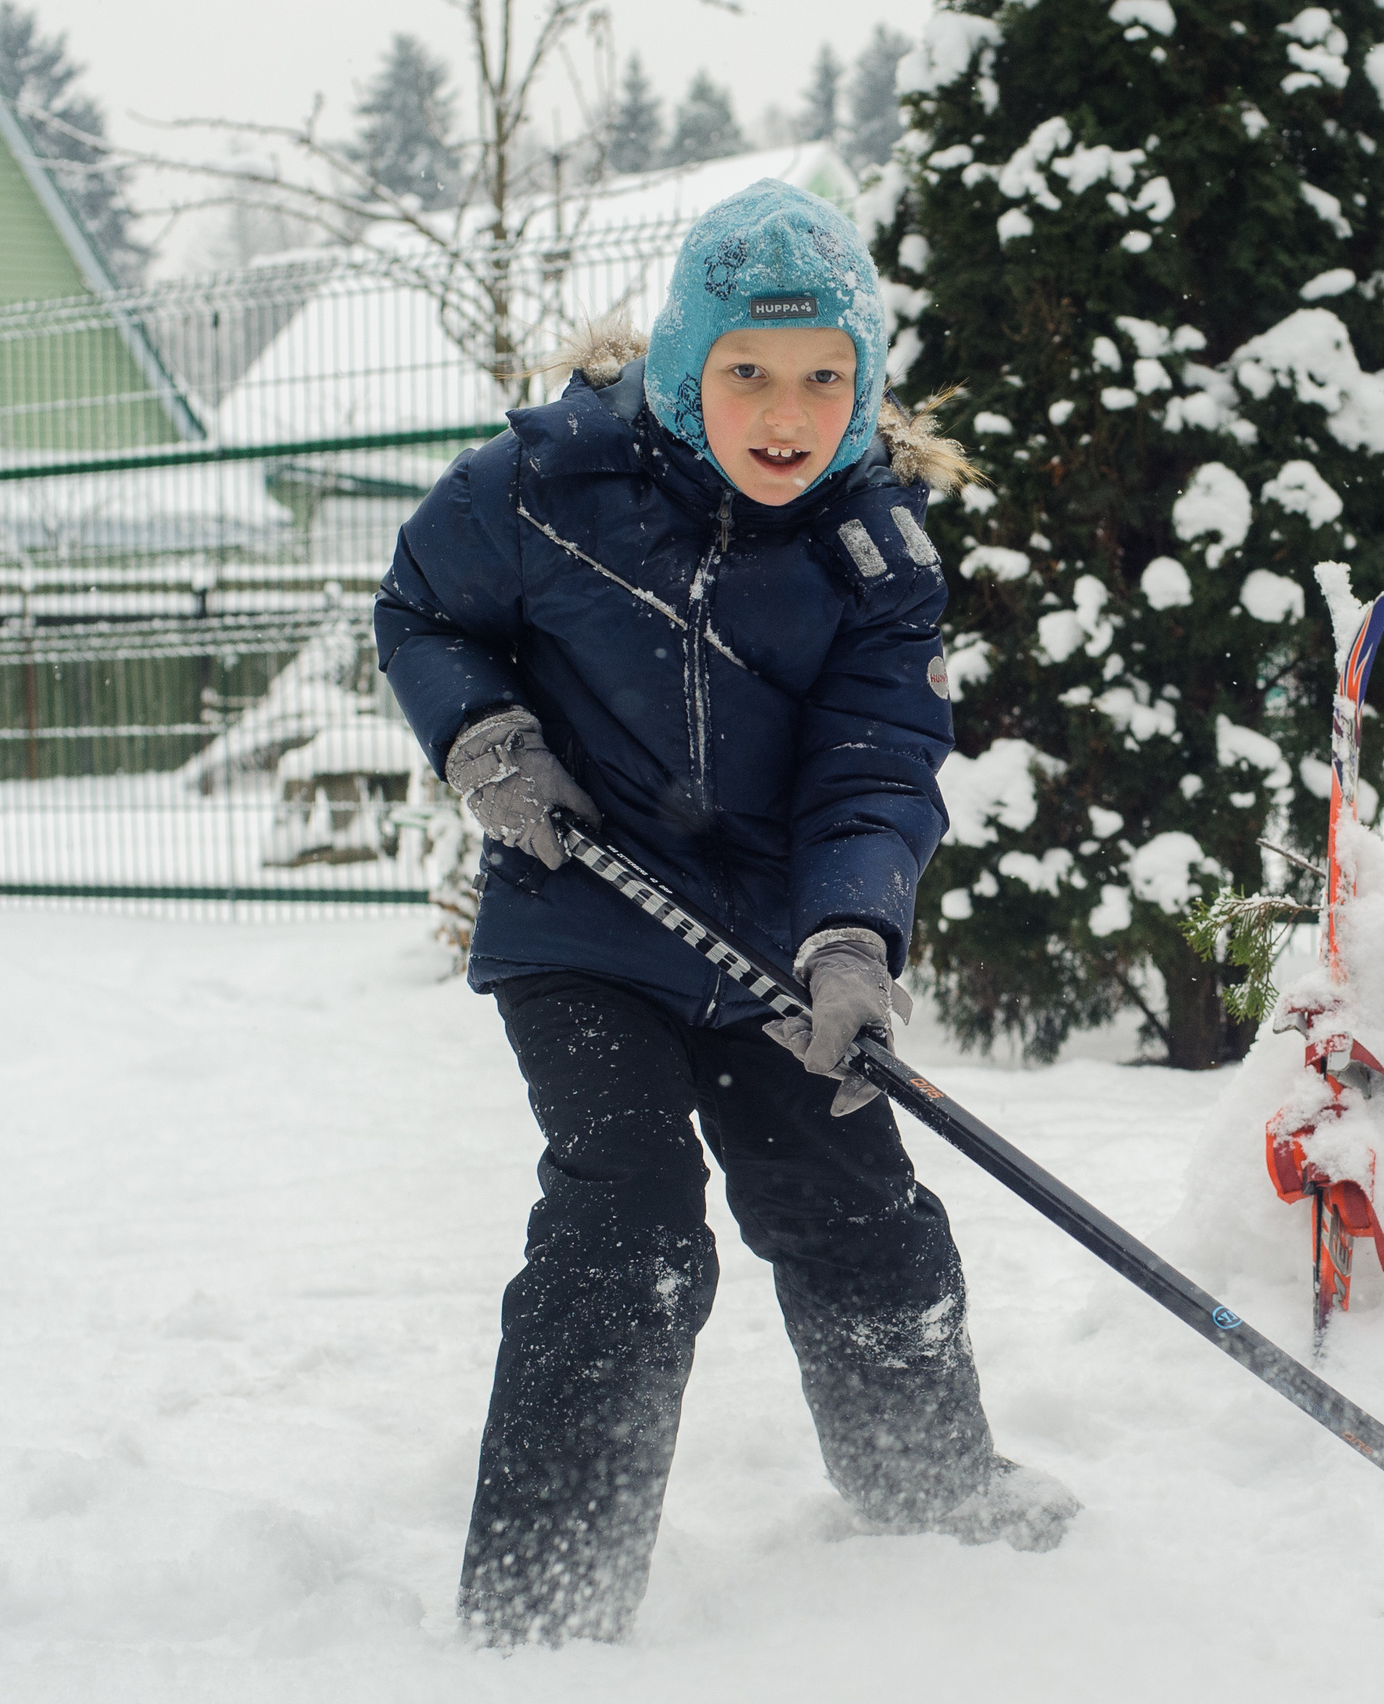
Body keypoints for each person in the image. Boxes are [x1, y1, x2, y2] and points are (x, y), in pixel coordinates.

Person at [374, 179, 1077, 1649]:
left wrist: (850, 938)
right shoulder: (544, 482)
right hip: (586, 916)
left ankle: (927, 1489)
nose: (784, 411)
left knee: (861, 1210)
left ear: (866, 386)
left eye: (826, 376)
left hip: (770, 946)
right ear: (687, 358)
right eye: (747, 370)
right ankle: (544, 1595)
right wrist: (485, 738)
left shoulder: (871, 557)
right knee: (626, 1218)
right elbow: (422, 609)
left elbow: (877, 766)